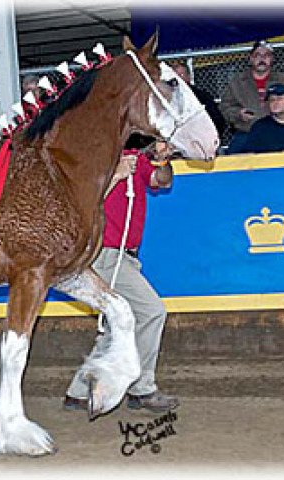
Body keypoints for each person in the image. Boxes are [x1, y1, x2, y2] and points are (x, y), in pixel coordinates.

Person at [64, 142, 180, 414]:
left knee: (122, 322)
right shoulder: (90, 159)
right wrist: (115, 176)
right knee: (150, 312)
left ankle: (79, 392)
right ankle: (142, 388)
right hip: (104, 253)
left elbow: (162, 182)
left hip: (121, 255)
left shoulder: (134, 159)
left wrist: (162, 161)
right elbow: (82, 201)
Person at [220, 40, 284, 154]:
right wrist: (238, 114)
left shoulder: (283, 79)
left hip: (278, 131)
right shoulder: (237, 82)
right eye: (257, 55)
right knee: (232, 161)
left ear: (272, 59)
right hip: (247, 131)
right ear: (250, 59)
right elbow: (225, 107)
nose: (262, 59)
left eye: (266, 55)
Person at [172, 61, 226, 137]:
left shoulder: (202, 96)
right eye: (175, 76)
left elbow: (217, 120)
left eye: (181, 75)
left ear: (189, 76)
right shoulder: (166, 99)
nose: (179, 79)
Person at [240, 83, 284, 154]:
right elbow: (250, 154)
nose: (275, 103)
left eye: (279, 99)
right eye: (272, 100)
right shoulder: (260, 127)